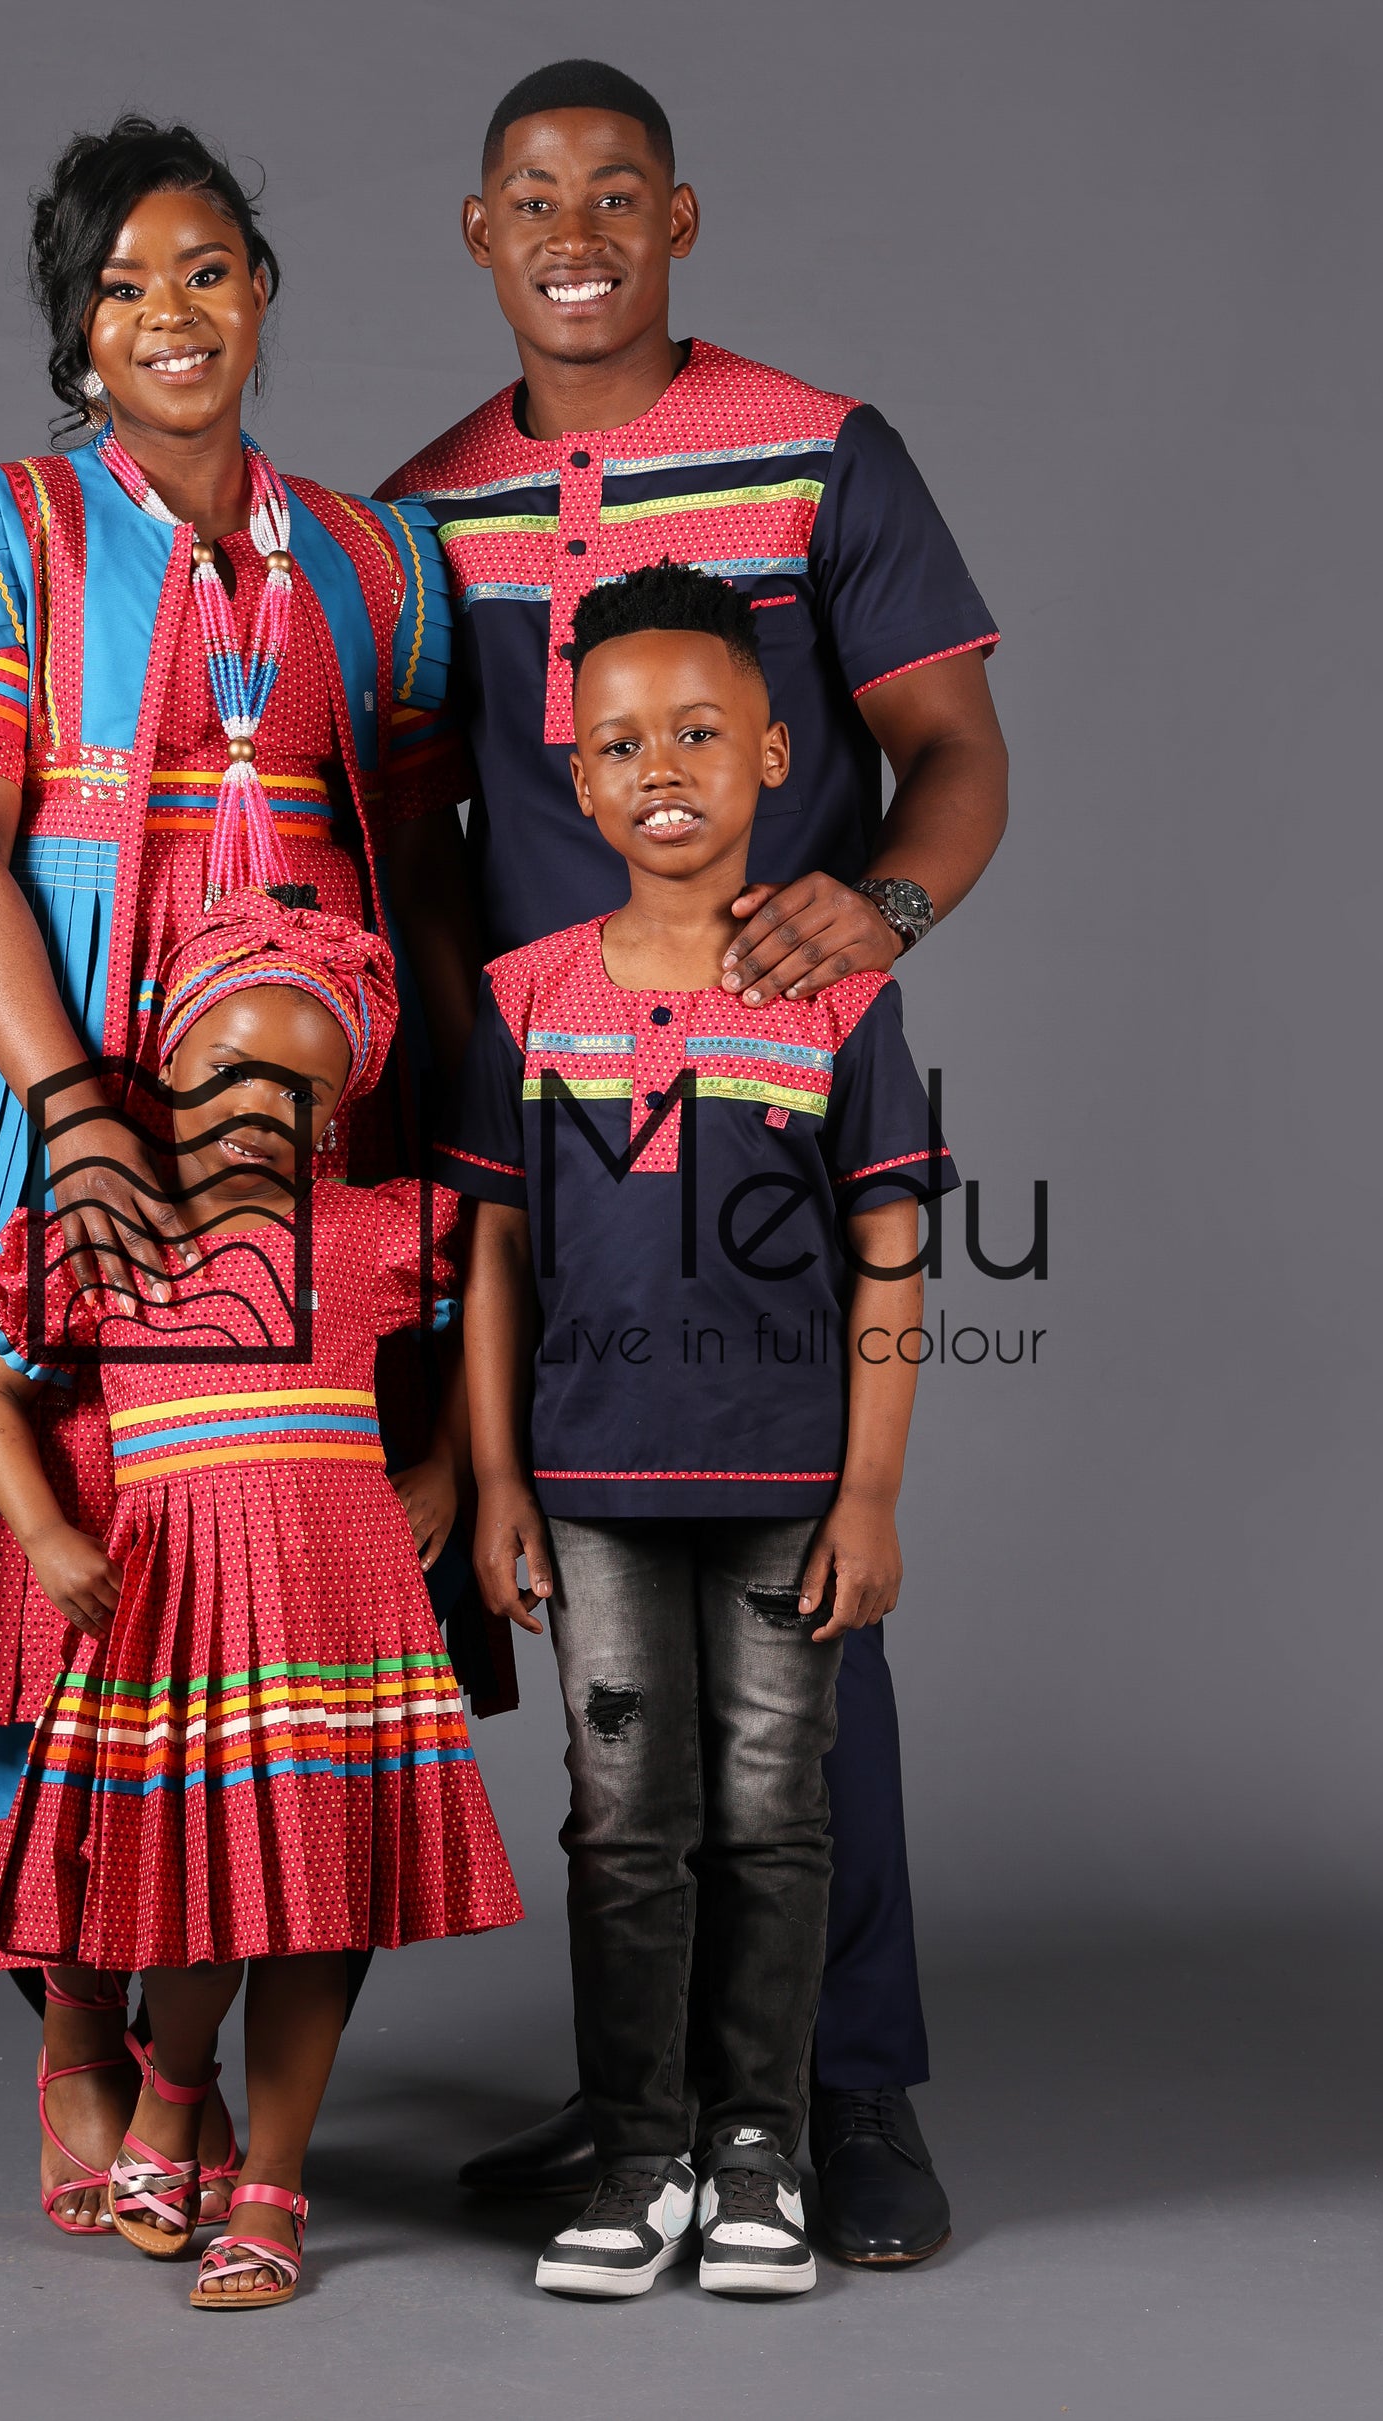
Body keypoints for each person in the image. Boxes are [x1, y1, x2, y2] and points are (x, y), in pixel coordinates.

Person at [0, 116, 481, 2235]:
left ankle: (204, 2078)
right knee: (35, 1574)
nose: (167, 315)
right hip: (43, 1074)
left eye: (203, 270)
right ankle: (77, 2035)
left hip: (300, 1104)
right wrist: (73, 1103)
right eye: (118, 287)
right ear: (74, 335)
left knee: (271, 1567)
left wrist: (445, 1131)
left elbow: (423, 879)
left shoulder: (379, 565)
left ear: (261, 291)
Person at [379, 59, 1006, 2262]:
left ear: (679, 218)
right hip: (542, 1115)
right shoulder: (424, 510)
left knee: (805, 1603)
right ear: (480, 233)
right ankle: (650, 2098)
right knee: (598, 1630)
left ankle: (848, 2086)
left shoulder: (822, 449)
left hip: (760, 1098)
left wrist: (880, 913)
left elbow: (953, 751)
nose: (577, 233)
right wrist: (458, 1063)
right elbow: (414, 832)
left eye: (618, 193)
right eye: (534, 198)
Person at [442, 561, 953, 2298]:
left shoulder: (841, 1000)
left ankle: (759, 2152)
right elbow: (493, 1250)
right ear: (576, 782)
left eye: (696, 732)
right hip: (587, 1489)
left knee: (771, 1812)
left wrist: (868, 1490)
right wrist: (497, 1473)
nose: (658, 767)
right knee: (618, 1815)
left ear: (772, 755)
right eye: (618, 744)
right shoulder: (527, 996)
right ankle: (635, 2152)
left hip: (782, 1489)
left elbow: (890, 1249)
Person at [0, 891, 521, 2307]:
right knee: (197, 1877)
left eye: (301, 1090)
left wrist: (450, 1464)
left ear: (339, 1112)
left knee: (318, 1893)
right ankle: (172, 2081)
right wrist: (44, 1531)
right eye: (229, 1072)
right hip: (181, 1612)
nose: (259, 1110)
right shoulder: (98, 1233)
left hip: (341, 1607)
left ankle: (273, 2182)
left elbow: (503, 1286)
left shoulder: (373, 1231)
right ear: (165, 1064)